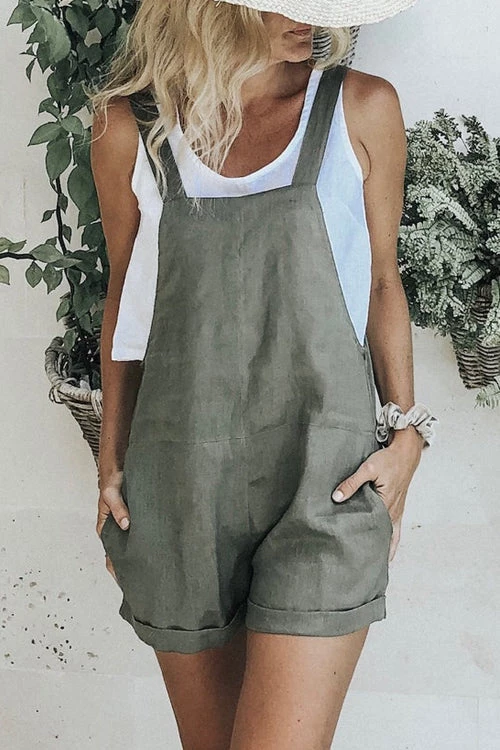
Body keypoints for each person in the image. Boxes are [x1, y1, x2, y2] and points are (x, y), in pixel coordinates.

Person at [89, 0, 436, 747]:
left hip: (326, 484)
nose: (314, 18)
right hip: (179, 491)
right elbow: (125, 300)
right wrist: (110, 463)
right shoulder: (129, 129)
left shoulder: (360, 108)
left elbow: (383, 281)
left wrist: (408, 434)